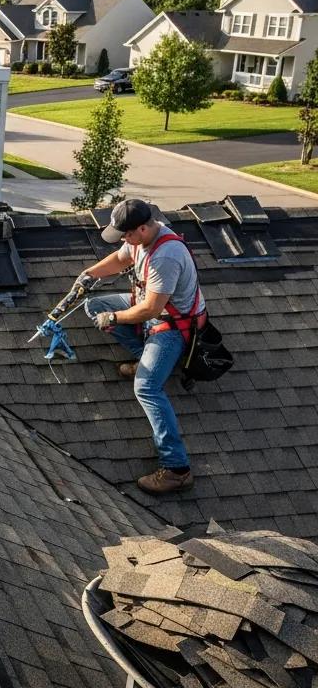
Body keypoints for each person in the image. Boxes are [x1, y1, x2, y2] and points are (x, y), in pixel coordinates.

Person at [78, 198, 205, 496]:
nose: (124, 239)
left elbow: (150, 309)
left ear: (144, 228)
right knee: (94, 306)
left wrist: (115, 317)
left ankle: (177, 469)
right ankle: (147, 356)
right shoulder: (138, 240)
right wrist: (89, 274)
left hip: (172, 326)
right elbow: (120, 259)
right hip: (152, 313)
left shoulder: (166, 256)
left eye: (127, 234)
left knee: (146, 387)